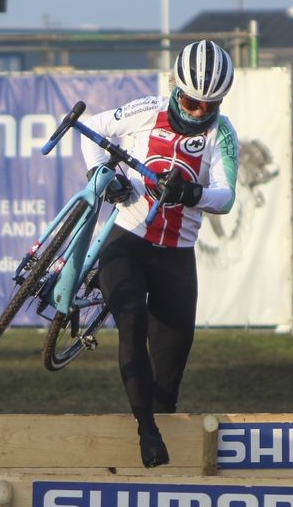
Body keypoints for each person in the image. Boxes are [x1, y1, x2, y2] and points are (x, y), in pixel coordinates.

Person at [79, 39, 240, 468]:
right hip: (127, 239)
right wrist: (101, 174)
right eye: (192, 100)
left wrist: (193, 192)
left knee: (169, 377)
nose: (200, 111)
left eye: (211, 103)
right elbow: (92, 129)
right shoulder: (147, 109)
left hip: (175, 255)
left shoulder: (220, 135)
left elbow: (225, 197)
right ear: (175, 85)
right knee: (130, 322)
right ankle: (144, 430)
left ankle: (159, 451)